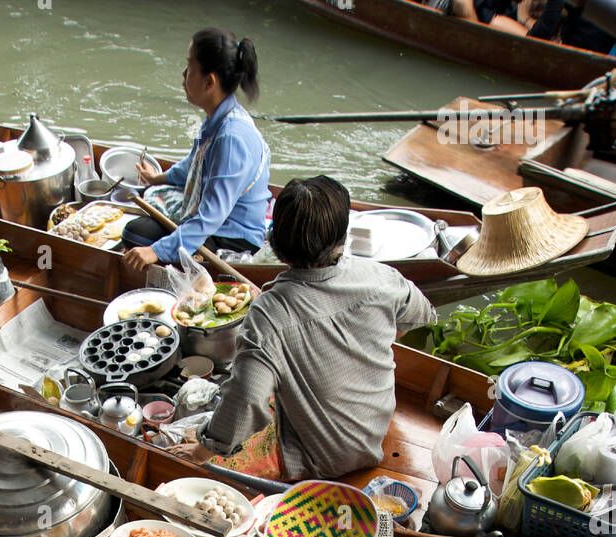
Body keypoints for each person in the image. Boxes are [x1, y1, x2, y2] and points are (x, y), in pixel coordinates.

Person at [173, 175, 435, 480]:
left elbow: (245, 399)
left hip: (323, 458)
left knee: (195, 457)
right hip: (375, 426)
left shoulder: (268, 316)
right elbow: (423, 315)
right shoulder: (383, 278)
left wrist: (206, 448)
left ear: (276, 242)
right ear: (342, 238)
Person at [121, 27, 269, 271]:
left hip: (234, 235)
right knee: (153, 197)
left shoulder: (231, 139)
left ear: (209, 81)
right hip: (217, 218)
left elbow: (209, 218)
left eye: (189, 67)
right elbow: (193, 166)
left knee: (136, 235)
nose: (183, 74)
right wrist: (158, 178)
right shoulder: (217, 118)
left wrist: (155, 251)